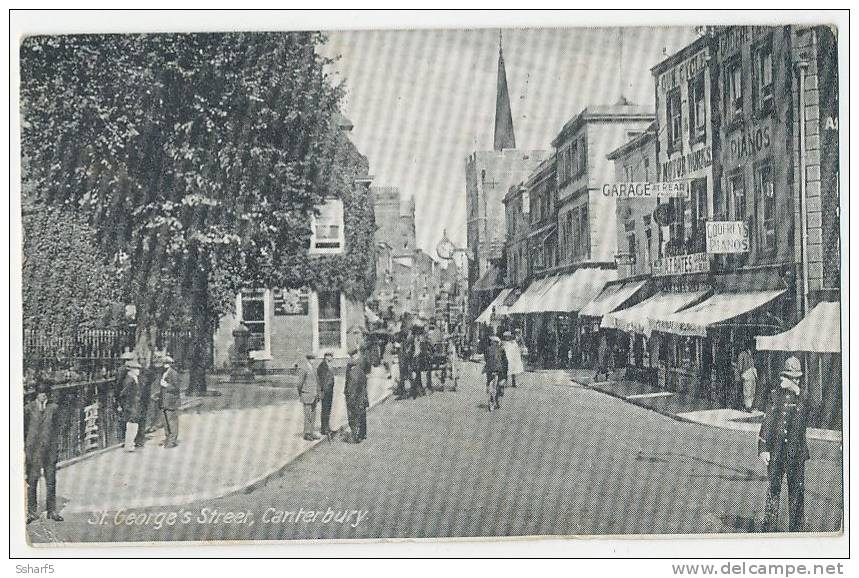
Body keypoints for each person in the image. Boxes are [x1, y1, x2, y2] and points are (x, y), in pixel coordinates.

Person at [759, 356, 810, 532]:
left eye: (797, 378)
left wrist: (796, 390)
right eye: (791, 377)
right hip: (777, 451)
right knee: (773, 490)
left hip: (796, 452)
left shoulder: (803, 396)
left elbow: (809, 410)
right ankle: (769, 528)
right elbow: (767, 421)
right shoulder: (775, 395)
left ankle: (797, 529)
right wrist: (763, 448)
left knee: (796, 491)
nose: (795, 380)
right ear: (784, 376)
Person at [25, 381, 63, 523]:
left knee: (51, 481)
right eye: (40, 394)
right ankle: (31, 512)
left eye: (45, 394)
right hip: (33, 451)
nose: (42, 396)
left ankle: (51, 511)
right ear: (36, 394)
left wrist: (56, 444)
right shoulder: (28, 409)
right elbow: (23, 429)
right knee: (32, 481)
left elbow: (59, 427)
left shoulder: (54, 408)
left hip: (50, 450)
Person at [155, 355, 181, 448]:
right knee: (165, 422)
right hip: (164, 401)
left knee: (172, 422)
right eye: (164, 363)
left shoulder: (174, 374)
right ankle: (168, 438)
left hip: (171, 402)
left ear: (170, 364)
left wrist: (166, 386)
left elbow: (176, 388)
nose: (165, 365)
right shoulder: (164, 373)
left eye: (167, 363)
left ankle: (172, 441)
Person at [344, 347, 369, 442]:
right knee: (362, 416)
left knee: (354, 417)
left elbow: (351, 388)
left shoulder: (352, 374)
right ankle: (363, 434)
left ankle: (356, 436)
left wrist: (350, 398)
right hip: (363, 397)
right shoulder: (361, 372)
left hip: (355, 398)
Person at [297, 352, 322, 441]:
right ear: (308, 359)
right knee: (307, 415)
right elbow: (299, 383)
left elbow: (317, 382)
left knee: (313, 414)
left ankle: (311, 431)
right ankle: (307, 433)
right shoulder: (303, 369)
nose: (313, 361)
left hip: (314, 395)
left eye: (314, 359)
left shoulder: (314, 368)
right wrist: (301, 393)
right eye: (311, 359)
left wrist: (318, 392)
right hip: (306, 394)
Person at [119, 360, 143, 452]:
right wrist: (127, 406)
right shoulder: (129, 380)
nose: (138, 371)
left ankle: (130, 443)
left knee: (134, 425)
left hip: (135, 405)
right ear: (131, 370)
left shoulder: (134, 378)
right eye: (136, 369)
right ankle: (129, 444)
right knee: (132, 425)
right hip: (131, 406)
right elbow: (123, 394)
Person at [482, 335, 506, 410]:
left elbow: (485, 358)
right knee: (501, 382)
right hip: (498, 369)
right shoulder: (501, 349)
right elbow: (504, 360)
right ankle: (498, 395)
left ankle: (489, 389)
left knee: (489, 381)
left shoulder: (487, 349)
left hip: (489, 369)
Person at [317, 352, 336, 435]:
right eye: (331, 356)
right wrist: (322, 391)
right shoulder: (322, 366)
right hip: (325, 391)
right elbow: (322, 380)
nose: (332, 358)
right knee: (325, 409)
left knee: (328, 409)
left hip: (329, 390)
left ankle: (327, 427)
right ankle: (324, 429)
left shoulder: (329, 365)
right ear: (326, 357)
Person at [737, 342, 758, 411]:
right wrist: (741, 373)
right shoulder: (743, 354)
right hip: (747, 373)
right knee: (748, 390)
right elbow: (740, 366)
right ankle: (748, 406)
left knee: (752, 390)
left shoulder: (750, 354)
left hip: (752, 373)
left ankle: (750, 405)